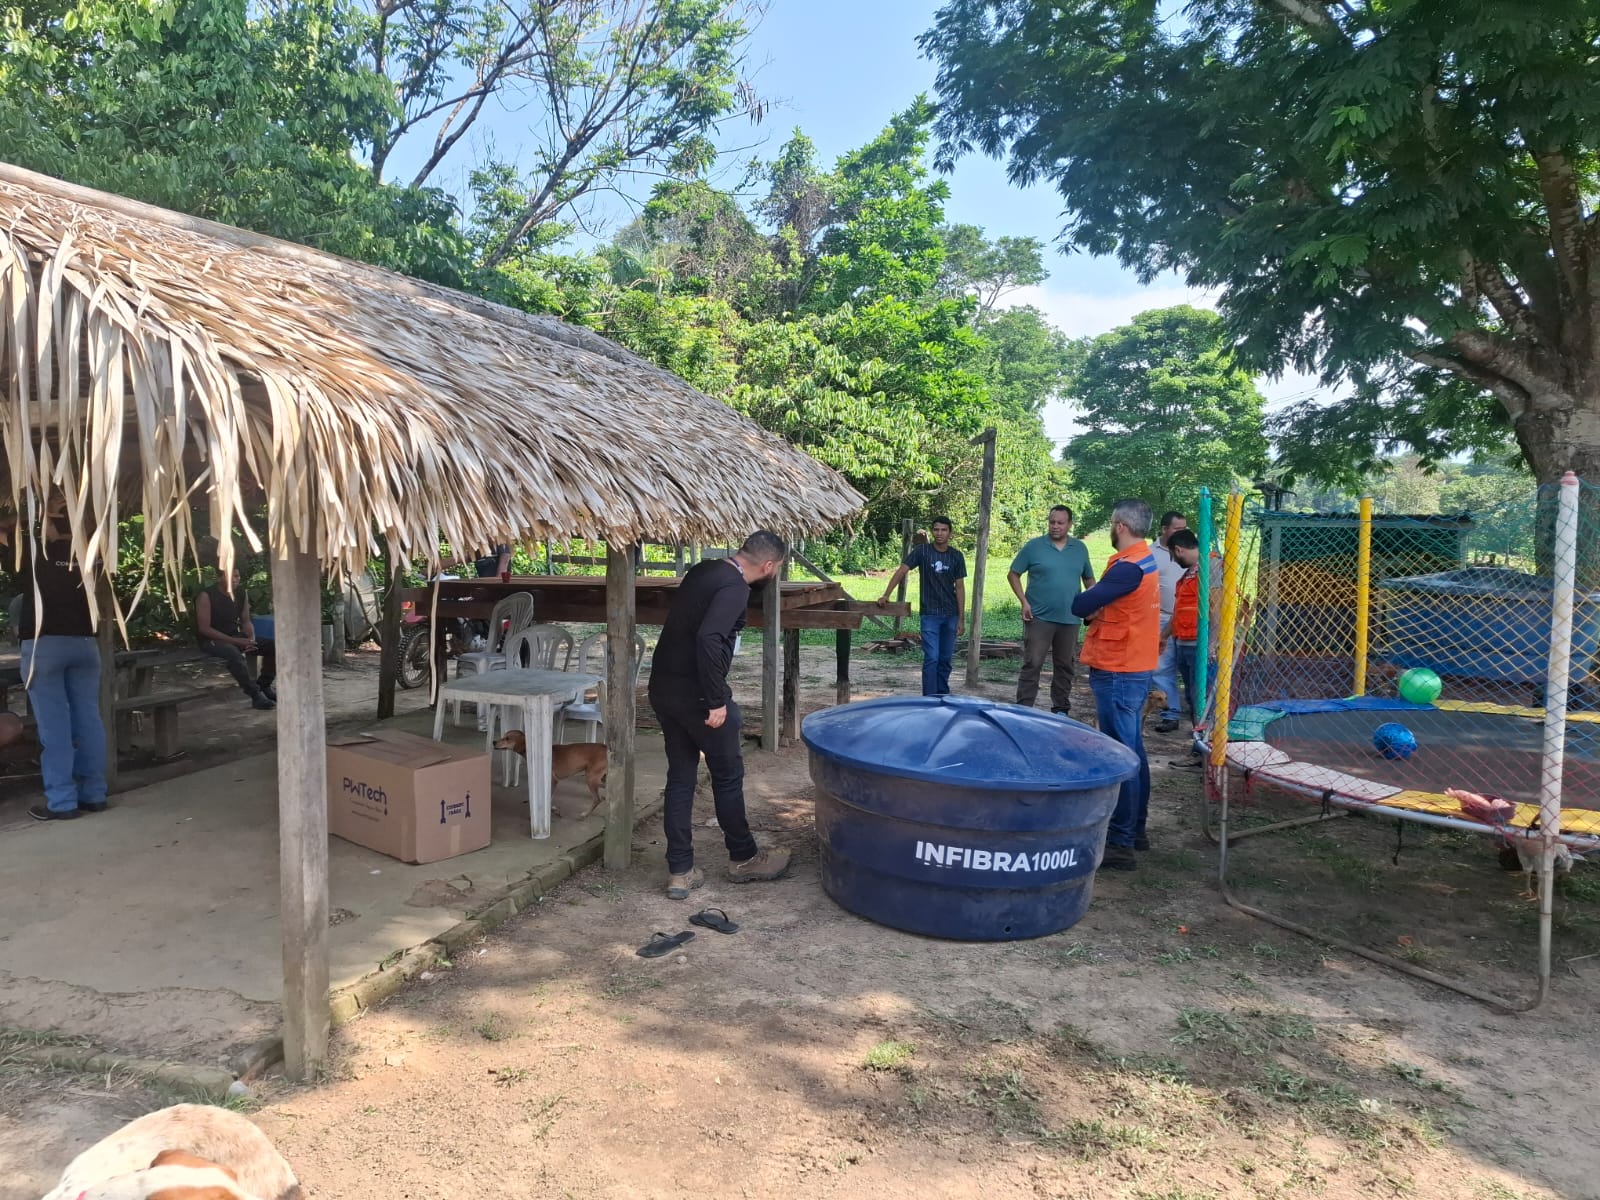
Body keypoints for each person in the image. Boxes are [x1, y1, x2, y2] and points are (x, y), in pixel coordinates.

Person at [648, 530, 794, 899]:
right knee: (727, 776)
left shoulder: (704, 570)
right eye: (777, 568)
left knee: (681, 777)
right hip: (698, 695)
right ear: (769, 565)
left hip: (664, 688)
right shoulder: (735, 588)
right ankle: (743, 858)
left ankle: (680, 870)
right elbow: (709, 638)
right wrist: (715, 700)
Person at [1072, 498, 1161, 871]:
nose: (1110, 528)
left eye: (1111, 523)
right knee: (1133, 750)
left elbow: (1081, 604)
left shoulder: (1128, 568)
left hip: (1118, 668)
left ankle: (1121, 842)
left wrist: (1089, 605)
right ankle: (1135, 831)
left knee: (1120, 755)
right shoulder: (1145, 560)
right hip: (1132, 665)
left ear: (1120, 526)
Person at [12, 499, 108, 821]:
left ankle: (62, 801)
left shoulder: (33, 548)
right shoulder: (92, 550)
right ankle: (94, 794)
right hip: (85, 643)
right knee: (89, 720)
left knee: (54, 726)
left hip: (44, 644)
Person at [1006, 505, 1096, 714]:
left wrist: (1093, 603)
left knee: (1065, 665)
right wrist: (1024, 602)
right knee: (1033, 663)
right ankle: (1024, 708)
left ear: (1070, 524)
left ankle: (1061, 709)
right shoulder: (1034, 546)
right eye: (1052, 522)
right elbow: (1013, 574)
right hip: (1039, 617)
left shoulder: (1079, 549)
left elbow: (1089, 579)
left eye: (1060, 523)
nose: (1055, 526)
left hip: (1070, 617)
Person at [876, 517, 967, 696]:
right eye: (936, 529)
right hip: (930, 614)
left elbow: (960, 587)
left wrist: (961, 618)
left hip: (951, 614)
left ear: (950, 533)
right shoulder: (922, 551)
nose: (939, 533)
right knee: (932, 657)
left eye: (944, 530)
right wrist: (886, 594)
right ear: (932, 532)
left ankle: (942, 695)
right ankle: (930, 698)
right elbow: (902, 570)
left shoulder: (956, 556)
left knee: (945, 659)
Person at [195, 564, 276, 710]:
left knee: (273, 646)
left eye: (237, 576)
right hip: (211, 640)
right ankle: (255, 695)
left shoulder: (241, 593)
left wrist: (251, 638)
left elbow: (246, 620)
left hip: (234, 636)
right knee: (233, 654)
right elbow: (204, 629)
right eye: (230, 576)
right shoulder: (206, 596)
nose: (235, 580)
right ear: (219, 578)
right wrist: (236, 641)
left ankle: (264, 685)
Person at [1164, 528, 1223, 729]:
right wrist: (1163, 637)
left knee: (1203, 696)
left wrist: (1212, 644)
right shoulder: (1188, 574)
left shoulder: (1211, 565)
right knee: (1191, 695)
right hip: (1184, 643)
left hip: (1201, 646)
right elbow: (1179, 612)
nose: (1174, 561)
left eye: (1173, 555)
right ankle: (1198, 735)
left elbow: (1217, 607)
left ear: (1179, 550)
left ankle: (1207, 738)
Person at [1149, 510, 1188, 733]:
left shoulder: (1191, 551)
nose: (1182, 532)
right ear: (1164, 529)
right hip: (1162, 617)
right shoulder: (1150, 554)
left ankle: (1198, 714)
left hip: (1188, 619)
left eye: (1185, 528)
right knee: (1162, 667)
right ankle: (1170, 714)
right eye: (1177, 529)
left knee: (1190, 667)